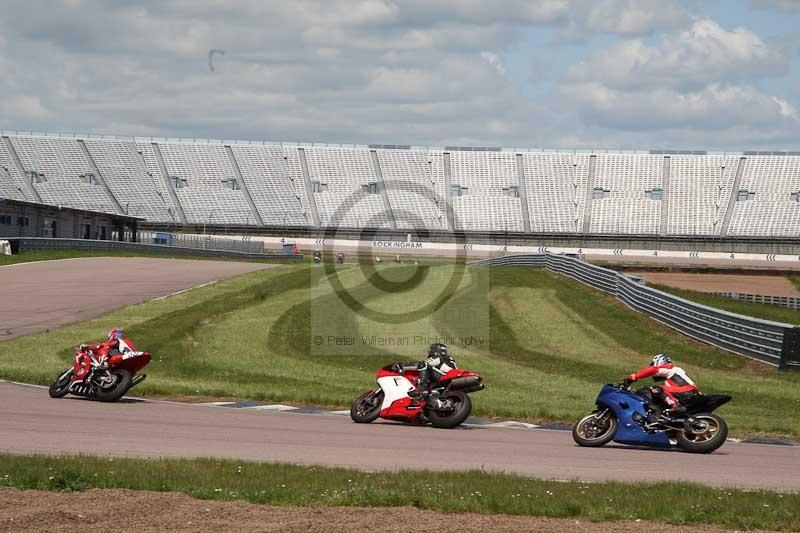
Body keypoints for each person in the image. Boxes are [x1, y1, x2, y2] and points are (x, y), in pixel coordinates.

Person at [622, 353, 700, 416]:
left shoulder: (670, 368)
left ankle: (675, 406)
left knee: (657, 389)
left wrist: (632, 378)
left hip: (688, 391)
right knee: (661, 393)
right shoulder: (673, 374)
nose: (652, 366)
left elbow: (653, 370)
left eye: (653, 364)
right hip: (688, 393)